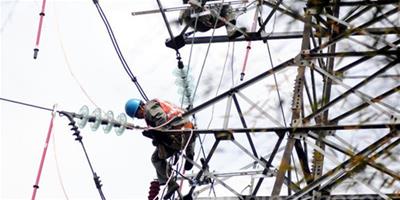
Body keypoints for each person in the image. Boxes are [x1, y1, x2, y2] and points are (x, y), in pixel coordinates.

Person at [125, 98, 196, 199]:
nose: (139, 117)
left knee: (156, 158)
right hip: (188, 131)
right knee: (188, 132)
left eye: (137, 115)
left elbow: (161, 119)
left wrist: (157, 136)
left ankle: (171, 183)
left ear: (140, 108)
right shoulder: (164, 103)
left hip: (178, 136)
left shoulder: (148, 109)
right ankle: (190, 152)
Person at [179, 0, 246, 39]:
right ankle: (205, 14)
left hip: (215, 18)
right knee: (201, 8)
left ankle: (231, 31)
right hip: (198, 21)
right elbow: (187, 4)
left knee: (229, 9)